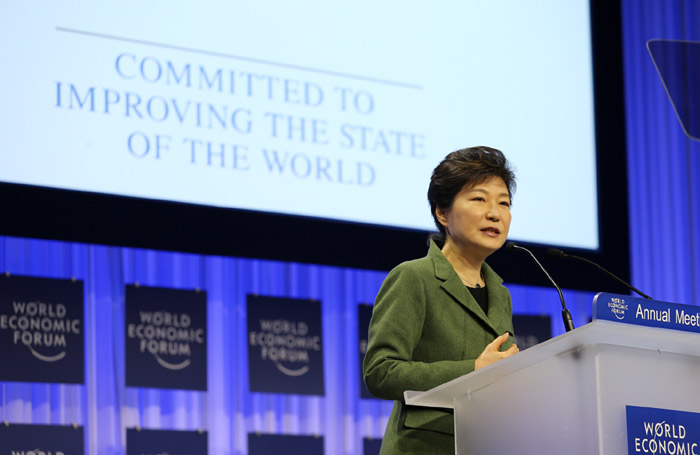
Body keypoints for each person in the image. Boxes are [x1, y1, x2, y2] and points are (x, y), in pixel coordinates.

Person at [363, 146, 519, 455]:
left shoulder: (500, 293)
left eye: (504, 203)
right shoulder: (414, 278)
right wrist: (473, 368)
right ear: (442, 212)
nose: (495, 212)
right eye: (479, 199)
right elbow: (380, 372)